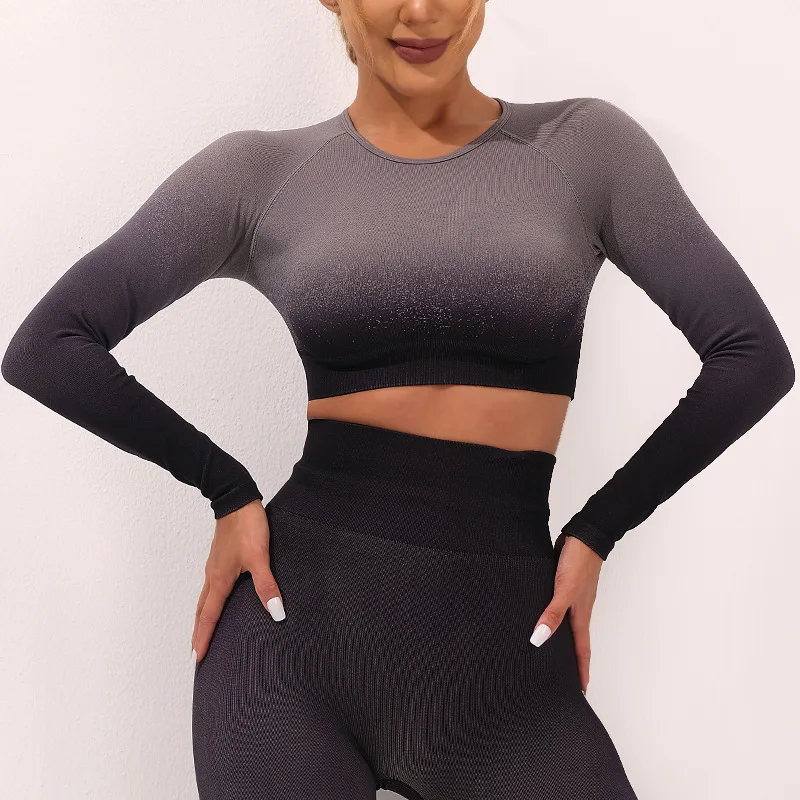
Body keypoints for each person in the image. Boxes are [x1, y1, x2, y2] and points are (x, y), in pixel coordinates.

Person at [2, 1, 794, 798]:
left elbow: (751, 357)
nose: (422, 10)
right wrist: (225, 488)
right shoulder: (260, 174)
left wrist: (599, 530)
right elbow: (50, 346)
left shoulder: (585, 148)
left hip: (509, 668)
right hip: (291, 648)